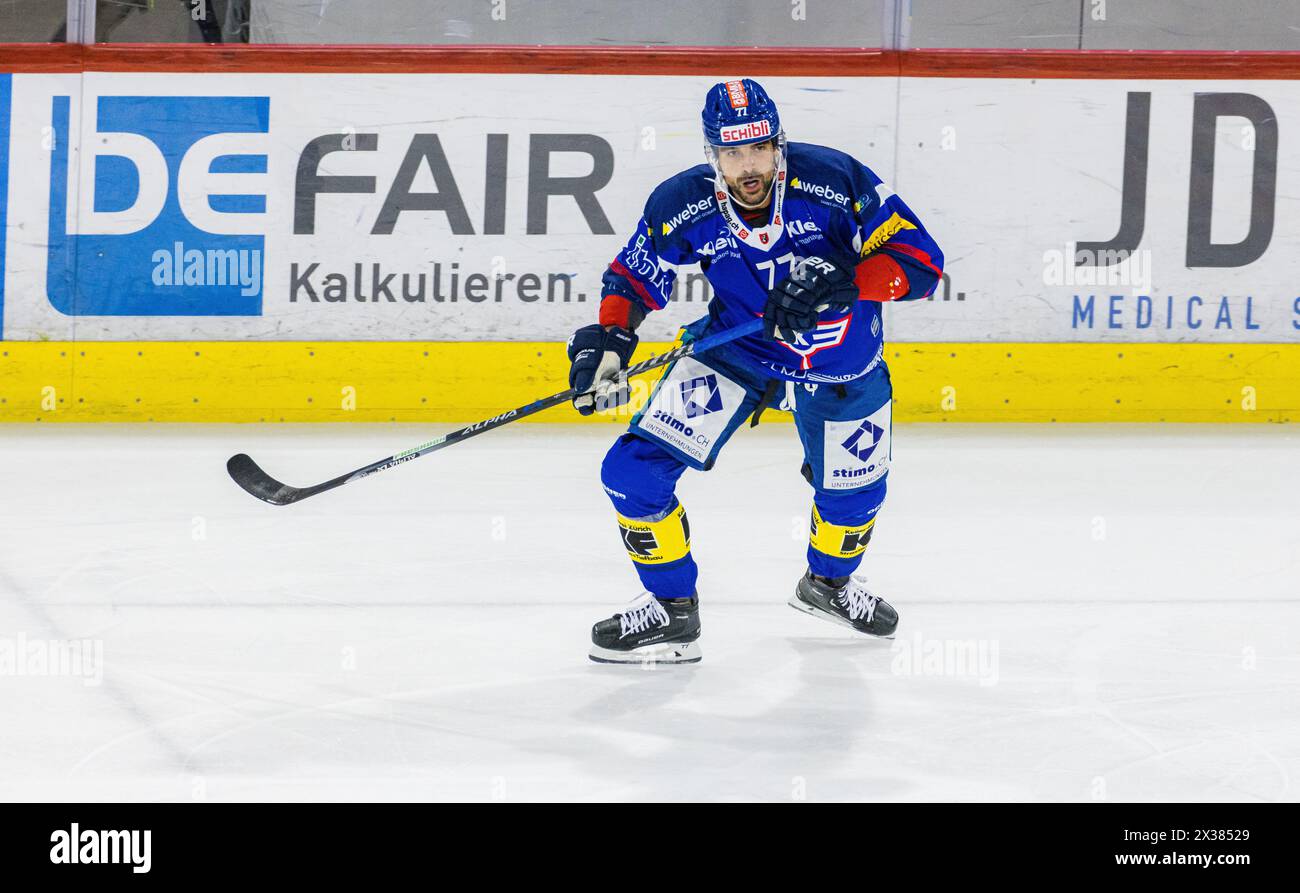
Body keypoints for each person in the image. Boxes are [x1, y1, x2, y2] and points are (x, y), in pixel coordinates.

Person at [567, 78, 943, 664]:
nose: (749, 166)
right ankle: (672, 610)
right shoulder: (682, 203)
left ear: (779, 144)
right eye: (733, 152)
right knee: (630, 473)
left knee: (855, 496)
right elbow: (634, 277)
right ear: (712, 154)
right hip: (736, 353)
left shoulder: (835, 180)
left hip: (840, 359)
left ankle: (829, 586)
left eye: (760, 148)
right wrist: (612, 338)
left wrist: (851, 280)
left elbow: (922, 262)